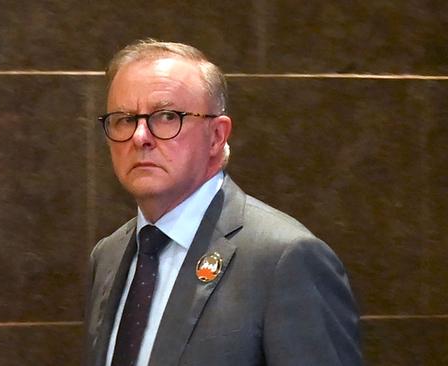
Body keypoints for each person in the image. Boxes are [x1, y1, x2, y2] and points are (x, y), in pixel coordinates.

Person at [83, 39, 362, 366]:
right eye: (124, 119)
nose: (140, 137)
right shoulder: (109, 255)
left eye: (167, 116)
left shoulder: (285, 259)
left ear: (216, 136)